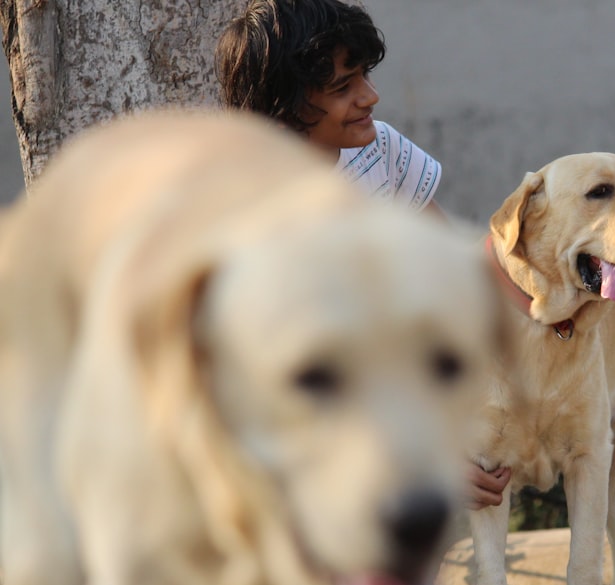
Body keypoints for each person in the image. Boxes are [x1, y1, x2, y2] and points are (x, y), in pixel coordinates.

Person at [215, 0, 510, 510]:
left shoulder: (380, 152)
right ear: (283, 105)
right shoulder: (246, 220)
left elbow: (462, 281)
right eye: (342, 87)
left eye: (365, 76)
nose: (369, 97)